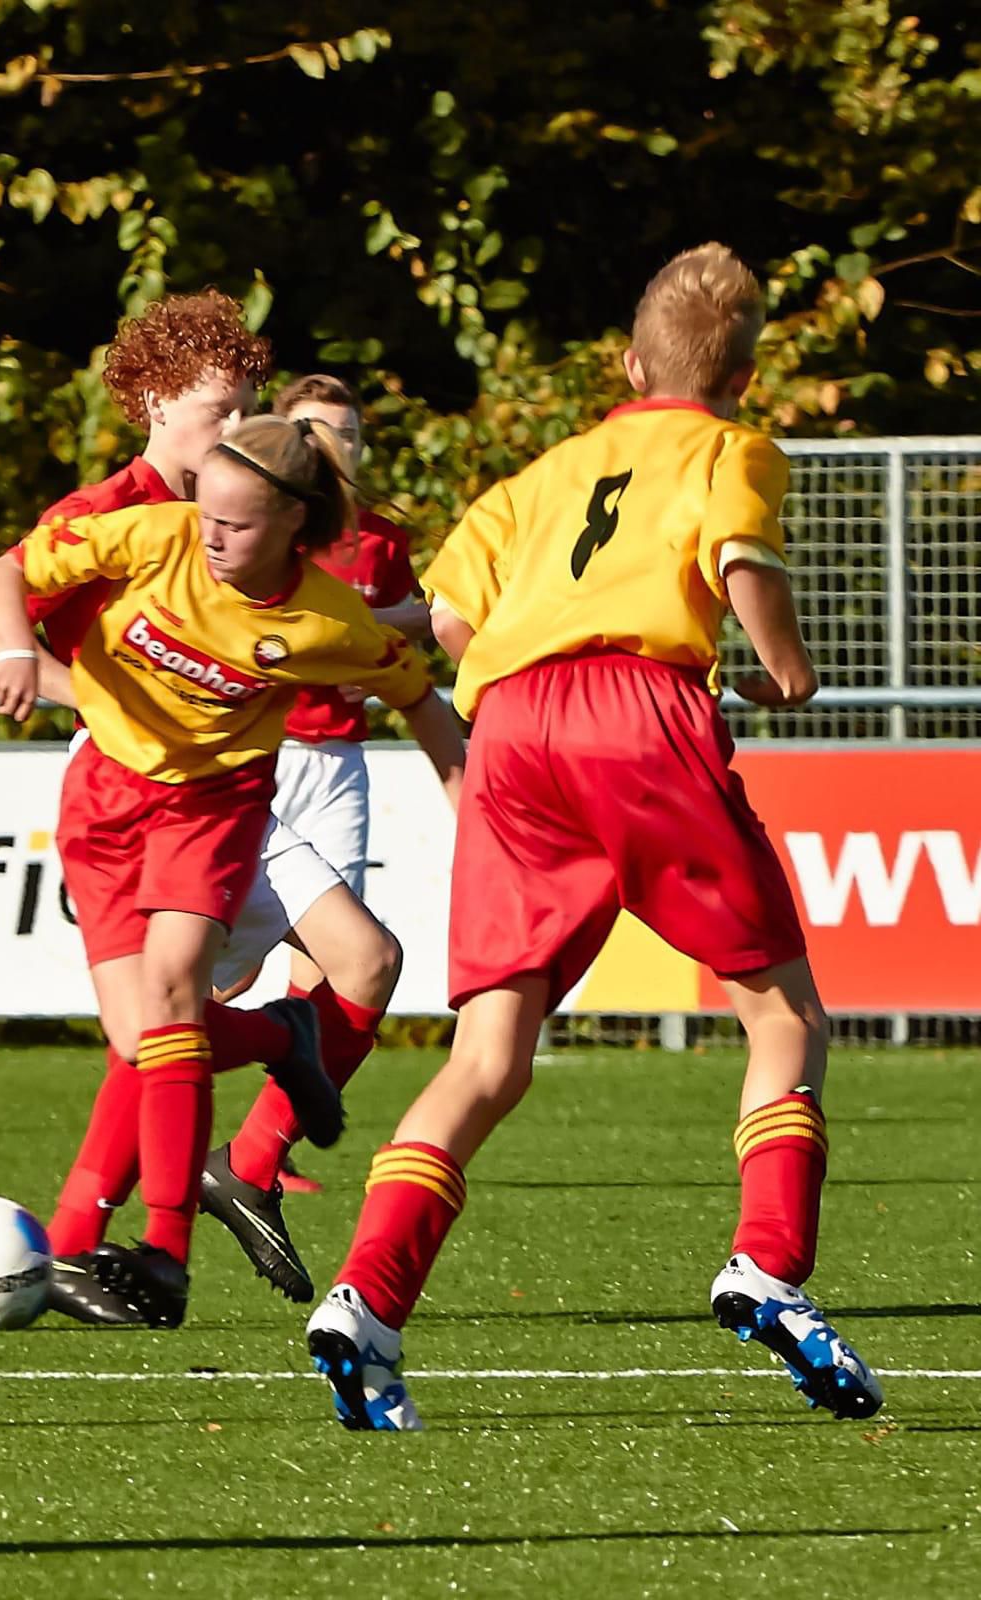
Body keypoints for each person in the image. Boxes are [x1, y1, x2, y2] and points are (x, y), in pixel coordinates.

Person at [304, 243, 884, 1430]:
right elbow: (738, 559)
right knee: (781, 1014)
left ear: (627, 362)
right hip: (639, 715)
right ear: (744, 371)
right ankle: (766, 1262)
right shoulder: (731, 448)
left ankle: (364, 1298)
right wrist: (783, 667)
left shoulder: (544, 470)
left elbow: (454, 620)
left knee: (485, 1054)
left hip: (510, 730)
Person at [0, 414, 439, 1331]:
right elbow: (3, 575)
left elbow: (412, 681)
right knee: (144, 1032)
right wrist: (22, 650)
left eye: (236, 522)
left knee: (187, 988)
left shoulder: (318, 611)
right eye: (207, 515)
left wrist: (477, 791)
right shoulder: (149, 527)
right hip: (107, 794)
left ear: (294, 529)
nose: (210, 532)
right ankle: (278, 1036)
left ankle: (162, 1253)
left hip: (215, 802)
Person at [199, 374, 464, 1265]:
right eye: (317, 432)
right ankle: (127, 1207)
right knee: (198, 1000)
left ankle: (252, 1159)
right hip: (237, 776)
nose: (334, 447)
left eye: (345, 433)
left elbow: (421, 627)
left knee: (348, 963)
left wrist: (364, 642)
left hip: (331, 766)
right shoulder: (193, 533)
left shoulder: (371, 546)